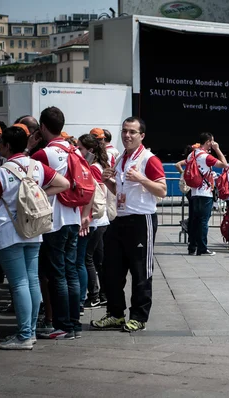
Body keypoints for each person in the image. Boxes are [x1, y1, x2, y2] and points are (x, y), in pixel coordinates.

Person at [0, 126, 69, 349]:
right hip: (34, 229)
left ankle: (23, 336)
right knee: (32, 280)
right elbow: (64, 184)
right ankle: (29, 332)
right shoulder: (37, 166)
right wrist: (41, 193)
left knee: (19, 282)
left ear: (7, 146)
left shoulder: (0, 172)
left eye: (2, 143)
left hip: (8, 232)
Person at [92, 117, 167, 332]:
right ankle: (115, 314)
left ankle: (138, 317)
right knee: (112, 270)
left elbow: (162, 190)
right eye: (125, 131)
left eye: (133, 132)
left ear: (141, 135)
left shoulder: (149, 159)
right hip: (120, 219)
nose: (127, 135)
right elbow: (120, 192)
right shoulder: (121, 159)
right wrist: (107, 181)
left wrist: (141, 178)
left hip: (141, 220)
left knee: (140, 271)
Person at [28, 106, 92, 340]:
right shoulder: (73, 150)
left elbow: (26, 173)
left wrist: (28, 146)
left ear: (43, 127)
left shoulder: (45, 154)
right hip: (73, 218)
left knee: (57, 275)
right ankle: (73, 324)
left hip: (53, 220)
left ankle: (62, 325)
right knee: (71, 272)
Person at [76, 134, 111, 309]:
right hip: (98, 220)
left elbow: (99, 193)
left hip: (96, 220)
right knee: (97, 260)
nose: (76, 151)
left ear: (90, 150)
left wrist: (87, 215)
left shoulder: (93, 167)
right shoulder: (96, 165)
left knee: (87, 260)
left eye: (79, 148)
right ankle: (102, 295)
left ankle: (95, 295)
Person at [185, 132, 228, 256]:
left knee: (194, 221)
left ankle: (192, 247)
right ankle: (202, 247)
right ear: (208, 142)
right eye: (212, 141)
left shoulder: (191, 155)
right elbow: (224, 164)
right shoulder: (205, 157)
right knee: (203, 221)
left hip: (194, 192)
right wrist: (217, 149)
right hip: (205, 193)